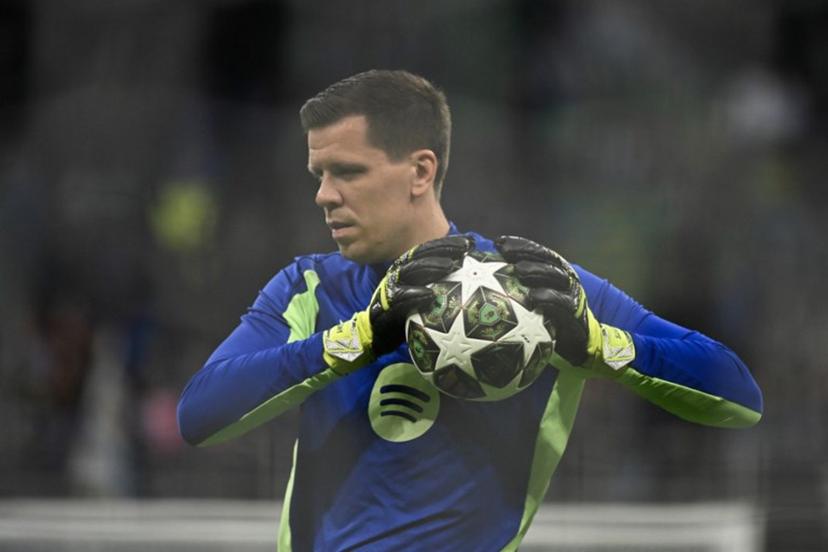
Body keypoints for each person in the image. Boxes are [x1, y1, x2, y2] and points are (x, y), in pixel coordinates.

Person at [177, 70, 763, 551]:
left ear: (421, 171)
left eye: (348, 172)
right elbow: (200, 414)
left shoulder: (539, 292)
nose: (324, 195)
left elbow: (738, 396)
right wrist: (355, 339)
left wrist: (599, 345)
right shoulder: (306, 287)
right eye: (319, 174)